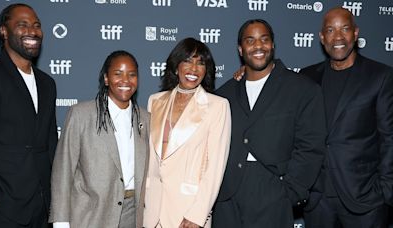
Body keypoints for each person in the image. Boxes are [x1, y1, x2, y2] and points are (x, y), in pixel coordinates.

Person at [211, 19, 326, 228]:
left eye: (264, 40)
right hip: (227, 194)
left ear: (273, 45)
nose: (258, 46)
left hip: (273, 190)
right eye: (250, 40)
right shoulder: (225, 94)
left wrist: (290, 192)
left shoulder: (301, 89)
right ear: (240, 48)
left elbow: (311, 146)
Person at [300, 7, 393, 228]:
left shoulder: (380, 76)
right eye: (331, 30)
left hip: (365, 199)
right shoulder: (307, 77)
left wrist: (385, 191)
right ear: (322, 38)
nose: (338, 37)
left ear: (356, 33)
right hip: (317, 199)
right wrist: (247, 72)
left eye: (345, 29)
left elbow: (389, 138)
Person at [49, 50, 150, 228]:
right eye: (118, 74)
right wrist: (60, 221)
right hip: (90, 215)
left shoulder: (145, 118)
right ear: (106, 78)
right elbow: (62, 171)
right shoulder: (81, 114)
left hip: (132, 215)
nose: (125, 80)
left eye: (132, 75)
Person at [143, 37, 231, 228]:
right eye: (188, 61)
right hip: (152, 210)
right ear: (176, 67)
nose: (194, 68)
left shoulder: (218, 106)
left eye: (201, 63)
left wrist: (198, 214)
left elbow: (215, 167)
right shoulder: (155, 101)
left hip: (189, 212)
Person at [0, 3, 58, 228]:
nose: (32, 31)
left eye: (37, 25)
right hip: (3, 209)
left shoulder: (47, 84)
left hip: (42, 209)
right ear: (3, 31)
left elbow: (51, 144)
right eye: (22, 25)